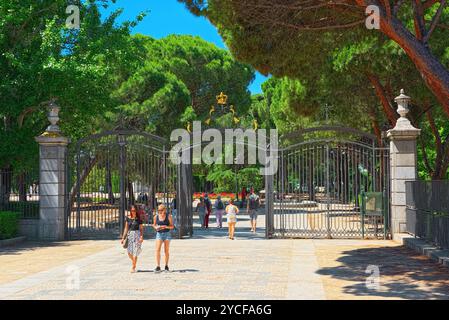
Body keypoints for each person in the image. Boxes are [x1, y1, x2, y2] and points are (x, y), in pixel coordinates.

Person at [120, 205, 144, 273]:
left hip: (137, 235)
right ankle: (134, 262)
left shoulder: (139, 219)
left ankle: (133, 267)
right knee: (129, 252)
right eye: (132, 210)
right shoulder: (128, 218)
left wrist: (141, 236)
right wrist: (123, 238)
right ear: (130, 211)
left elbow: (141, 229)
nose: (133, 212)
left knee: (135, 252)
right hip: (130, 235)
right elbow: (126, 228)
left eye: (135, 211)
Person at [153, 204, 174, 272]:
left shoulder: (169, 216)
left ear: (164, 210)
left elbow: (172, 226)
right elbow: (154, 224)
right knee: (157, 250)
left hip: (167, 234)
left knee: (166, 251)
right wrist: (156, 227)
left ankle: (166, 266)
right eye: (158, 210)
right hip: (159, 234)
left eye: (161, 210)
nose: (159, 211)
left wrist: (165, 227)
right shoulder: (156, 216)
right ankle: (158, 266)